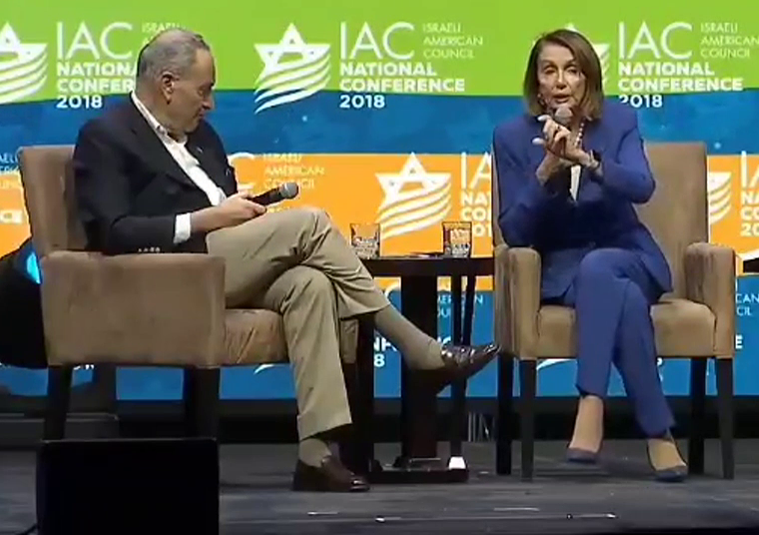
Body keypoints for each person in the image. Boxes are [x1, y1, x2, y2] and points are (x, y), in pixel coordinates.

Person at [71, 28, 498, 492]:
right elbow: (112, 231)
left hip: (224, 262)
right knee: (310, 223)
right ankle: (418, 350)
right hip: (169, 273)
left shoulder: (202, 136)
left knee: (310, 284)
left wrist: (239, 212)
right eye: (204, 90)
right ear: (168, 84)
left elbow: (226, 205)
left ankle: (316, 455)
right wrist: (204, 219)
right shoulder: (107, 135)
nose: (210, 103)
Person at [492, 29, 688, 482]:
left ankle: (590, 401)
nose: (561, 81)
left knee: (603, 268)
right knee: (624, 300)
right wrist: (546, 172)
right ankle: (659, 434)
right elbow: (514, 231)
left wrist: (590, 162)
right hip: (564, 270)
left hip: (630, 255)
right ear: (537, 83)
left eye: (572, 70)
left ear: (588, 79)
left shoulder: (618, 121)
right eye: (550, 71)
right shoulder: (511, 137)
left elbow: (642, 186)